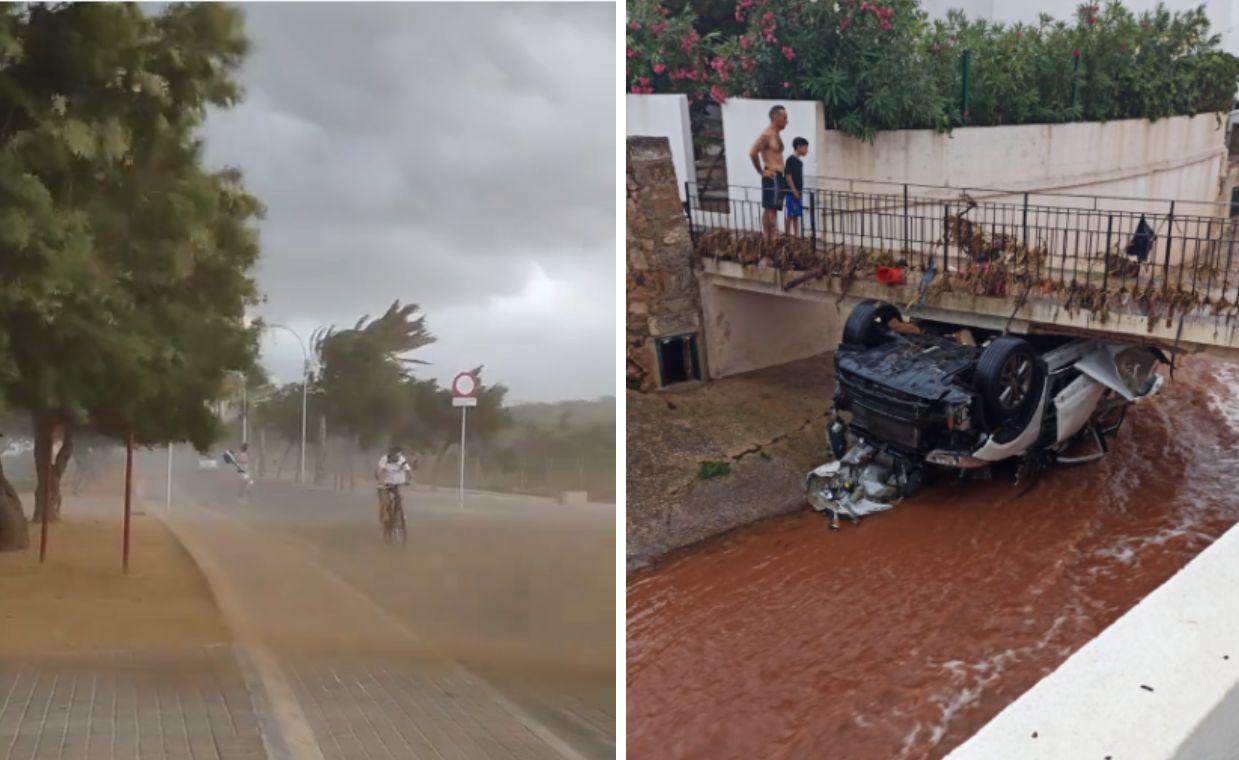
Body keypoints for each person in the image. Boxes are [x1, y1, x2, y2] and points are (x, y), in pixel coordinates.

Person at [749, 105, 789, 240]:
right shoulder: (766, 135)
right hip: (771, 174)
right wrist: (761, 172)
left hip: (778, 175)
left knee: (772, 206)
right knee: (770, 207)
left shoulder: (776, 134)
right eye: (784, 118)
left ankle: (769, 234)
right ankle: (770, 235)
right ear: (775, 117)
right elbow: (753, 152)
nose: (786, 121)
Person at [375, 445, 413, 526]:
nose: (396, 457)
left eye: (398, 455)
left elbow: (408, 470)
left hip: (396, 484)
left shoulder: (402, 459)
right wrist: (380, 481)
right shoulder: (385, 459)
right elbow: (379, 471)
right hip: (385, 484)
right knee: (385, 501)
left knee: (399, 498)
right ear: (391, 453)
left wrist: (410, 480)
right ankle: (384, 517)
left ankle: (397, 515)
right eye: (395, 455)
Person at [783, 137, 809, 237]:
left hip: (798, 193)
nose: (807, 150)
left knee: (796, 215)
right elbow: (788, 176)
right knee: (790, 215)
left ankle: (796, 236)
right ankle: (788, 236)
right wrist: (794, 191)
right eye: (805, 147)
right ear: (798, 147)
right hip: (791, 193)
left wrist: (798, 193)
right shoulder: (790, 160)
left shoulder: (800, 162)